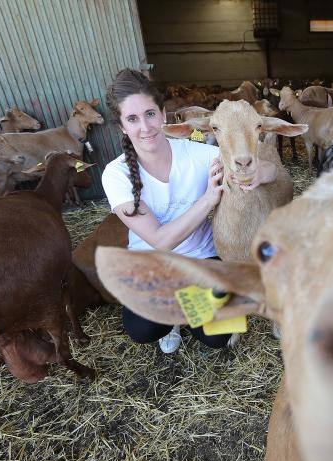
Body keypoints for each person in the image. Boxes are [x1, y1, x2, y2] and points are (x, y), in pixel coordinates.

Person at [102, 69, 276, 353]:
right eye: (132, 119)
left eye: (150, 114)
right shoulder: (115, 174)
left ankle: (188, 310)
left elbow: (265, 169)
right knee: (142, 328)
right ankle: (172, 321)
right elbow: (159, 240)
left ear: (163, 114)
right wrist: (208, 200)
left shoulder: (197, 155)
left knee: (217, 337)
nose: (145, 127)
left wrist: (258, 173)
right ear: (122, 126)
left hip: (202, 260)